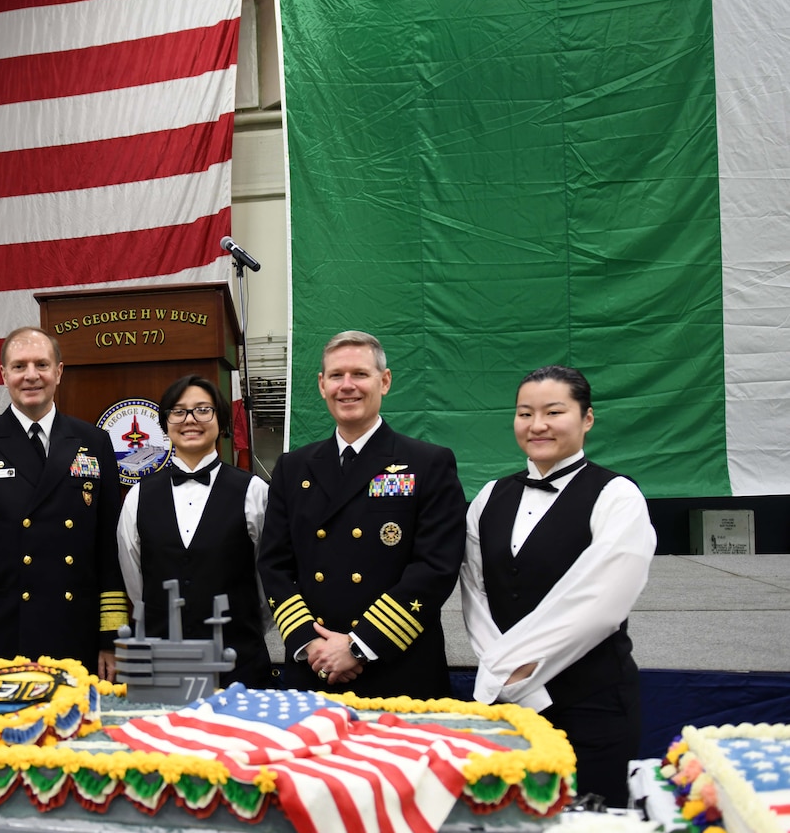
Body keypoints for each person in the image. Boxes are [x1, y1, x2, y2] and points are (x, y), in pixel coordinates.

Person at [457, 365, 654, 807]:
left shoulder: (618, 496)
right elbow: (475, 594)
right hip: (507, 702)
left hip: (594, 704)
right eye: (525, 413)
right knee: (510, 824)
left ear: (587, 418)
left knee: (590, 832)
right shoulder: (489, 496)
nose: (537, 425)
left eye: (553, 411)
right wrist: (507, 675)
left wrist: (525, 672)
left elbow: (600, 604)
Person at [256, 330, 466, 699]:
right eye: (336, 375)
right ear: (322, 385)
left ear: (384, 381)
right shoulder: (293, 468)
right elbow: (274, 564)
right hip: (314, 667)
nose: (347, 386)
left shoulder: (428, 463)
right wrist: (310, 643)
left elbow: (436, 566)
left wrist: (358, 646)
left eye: (360, 374)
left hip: (398, 669)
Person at [0, 327, 125, 680]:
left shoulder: (94, 442)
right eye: (19, 366)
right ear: (3, 374)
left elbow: (108, 549)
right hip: (1, 635)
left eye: (41, 364)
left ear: (58, 371)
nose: (31, 376)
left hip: (77, 632)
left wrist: (111, 638)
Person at [117, 375, 273, 687]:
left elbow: (267, 581)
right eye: (179, 411)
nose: (190, 420)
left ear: (222, 421)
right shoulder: (138, 496)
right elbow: (136, 583)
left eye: (203, 410)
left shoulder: (254, 490)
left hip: (239, 664)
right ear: (165, 423)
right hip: (162, 666)